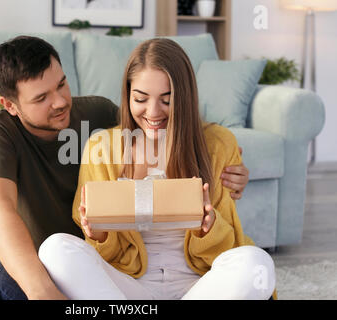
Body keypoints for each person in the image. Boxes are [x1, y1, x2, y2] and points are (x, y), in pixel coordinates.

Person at [0, 35, 250, 300]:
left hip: (113, 264)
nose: (59, 101)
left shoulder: (99, 113)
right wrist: (43, 294)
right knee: (9, 273)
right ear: (10, 105)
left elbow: (157, 122)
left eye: (61, 85)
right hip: (68, 256)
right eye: (41, 98)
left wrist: (225, 158)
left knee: (254, 266)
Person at [38, 38, 276, 300]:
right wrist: (99, 235)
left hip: (201, 285)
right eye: (140, 98)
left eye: (167, 99)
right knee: (55, 248)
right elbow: (103, 255)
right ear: (128, 94)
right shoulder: (102, 147)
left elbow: (227, 250)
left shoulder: (218, 144)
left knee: (257, 264)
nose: (153, 112)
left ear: (185, 97)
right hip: (128, 285)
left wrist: (208, 229)